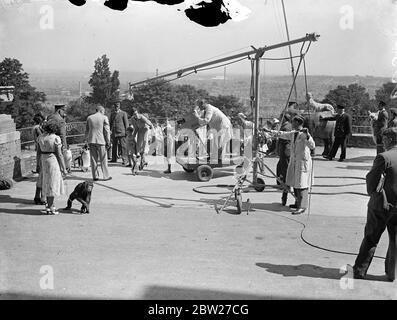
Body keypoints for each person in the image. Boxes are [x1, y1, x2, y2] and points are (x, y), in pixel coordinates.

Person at [352, 128, 397, 281]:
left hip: (381, 206)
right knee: (395, 240)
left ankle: (359, 271)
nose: (382, 142)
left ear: (390, 140)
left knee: (371, 238)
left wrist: (373, 195)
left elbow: (371, 180)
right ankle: (391, 273)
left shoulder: (384, 157)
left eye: (384, 139)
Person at [264, 115, 315, 214]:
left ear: (298, 123)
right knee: (296, 183)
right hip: (295, 162)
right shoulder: (293, 133)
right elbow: (283, 134)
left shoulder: (304, 134)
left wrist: (308, 135)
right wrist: (270, 132)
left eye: (293, 122)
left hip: (302, 162)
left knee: (302, 185)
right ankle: (297, 202)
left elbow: (312, 145)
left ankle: (302, 206)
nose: (292, 124)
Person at [36, 120, 67, 215]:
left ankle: (50, 205)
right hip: (52, 160)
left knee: (46, 182)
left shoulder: (40, 137)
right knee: (52, 183)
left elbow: (38, 153)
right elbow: (59, 154)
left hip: (43, 160)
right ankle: (50, 207)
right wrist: (64, 168)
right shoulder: (55, 138)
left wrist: (38, 164)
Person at [85, 105, 112, 181]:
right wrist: (108, 141)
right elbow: (107, 131)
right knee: (103, 159)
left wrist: (86, 140)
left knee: (93, 159)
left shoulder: (89, 118)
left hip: (91, 140)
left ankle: (95, 176)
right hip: (101, 140)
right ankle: (106, 176)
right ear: (101, 110)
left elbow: (87, 130)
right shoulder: (104, 117)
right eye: (103, 111)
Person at [276, 113, 292, 206]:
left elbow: (283, 139)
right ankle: (282, 185)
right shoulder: (286, 126)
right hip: (285, 151)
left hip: (285, 151)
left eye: (280, 117)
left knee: (285, 171)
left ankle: (285, 191)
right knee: (280, 168)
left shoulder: (286, 127)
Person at [109, 98, 129, 164]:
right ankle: (114, 159)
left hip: (122, 132)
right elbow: (110, 123)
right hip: (114, 132)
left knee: (123, 146)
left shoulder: (123, 113)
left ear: (119, 106)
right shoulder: (112, 114)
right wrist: (109, 131)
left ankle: (125, 159)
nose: (116, 107)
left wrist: (127, 131)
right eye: (115, 106)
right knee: (114, 146)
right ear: (114, 106)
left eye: (117, 106)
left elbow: (126, 123)